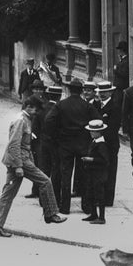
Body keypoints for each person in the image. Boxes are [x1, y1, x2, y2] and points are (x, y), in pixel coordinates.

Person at [0, 95, 67, 236]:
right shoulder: (21, 121)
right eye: (35, 110)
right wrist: (19, 166)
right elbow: (14, 145)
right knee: (45, 181)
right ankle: (51, 214)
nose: (37, 113)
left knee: (8, 193)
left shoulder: (24, 119)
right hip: (20, 160)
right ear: (29, 107)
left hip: (17, 159)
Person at [51, 79, 94, 215]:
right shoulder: (87, 106)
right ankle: (86, 206)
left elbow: (49, 121)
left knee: (66, 175)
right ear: (81, 91)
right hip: (83, 144)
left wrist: (57, 135)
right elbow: (98, 122)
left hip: (65, 145)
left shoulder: (61, 105)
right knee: (85, 176)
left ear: (69, 90)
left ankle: (65, 207)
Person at [77, 117, 111, 224]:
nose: (91, 133)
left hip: (99, 174)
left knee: (99, 195)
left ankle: (101, 217)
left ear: (99, 132)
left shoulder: (101, 144)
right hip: (92, 172)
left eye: (93, 131)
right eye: (91, 131)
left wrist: (91, 159)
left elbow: (105, 160)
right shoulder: (95, 141)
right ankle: (93, 214)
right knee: (91, 193)